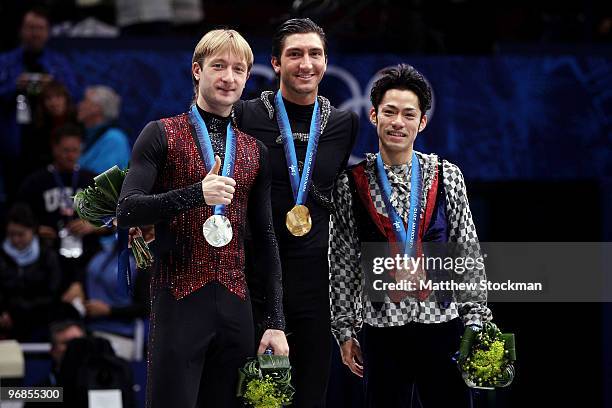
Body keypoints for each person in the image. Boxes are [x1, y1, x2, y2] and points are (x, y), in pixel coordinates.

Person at [116, 29, 288, 407]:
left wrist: (276, 321)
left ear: (247, 77)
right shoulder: (162, 133)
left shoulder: (255, 151)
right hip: (177, 301)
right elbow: (127, 209)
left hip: (236, 308)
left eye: (238, 69)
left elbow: (265, 240)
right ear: (197, 70)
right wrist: (197, 193)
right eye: (218, 66)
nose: (228, 77)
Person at [329, 64, 492, 407]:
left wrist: (476, 320)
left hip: (443, 325)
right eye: (389, 112)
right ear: (373, 115)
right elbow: (341, 262)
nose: (397, 123)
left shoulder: (447, 176)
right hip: (381, 329)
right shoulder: (350, 183)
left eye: (408, 114)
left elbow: (467, 250)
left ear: (422, 122)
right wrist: (345, 330)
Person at [234, 18, 358, 408]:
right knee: (256, 399)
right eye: (295, 54)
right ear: (274, 63)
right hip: (254, 278)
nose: (307, 63)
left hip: (314, 284)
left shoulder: (343, 123)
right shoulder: (246, 115)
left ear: (326, 61)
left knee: (309, 396)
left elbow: (334, 195)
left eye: (315, 54)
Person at [0, 7, 78, 195]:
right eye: (30, 28)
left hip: (49, 143)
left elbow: (74, 94)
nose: (35, 33)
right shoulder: (5, 62)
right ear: (21, 31)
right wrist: (15, 86)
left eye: (40, 28)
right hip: (14, 144)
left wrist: (52, 85)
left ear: (48, 32)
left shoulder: (58, 64)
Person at [16, 124, 99, 299]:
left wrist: (93, 225)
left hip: (87, 258)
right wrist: (34, 231)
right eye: (65, 150)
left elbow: (117, 220)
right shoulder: (35, 182)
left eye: (75, 150)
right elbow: (16, 218)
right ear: (54, 148)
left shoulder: (92, 181)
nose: (71, 156)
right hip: (46, 257)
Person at [0, 203, 62, 341]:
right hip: (6, 323)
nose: (15, 240)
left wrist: (18, 311)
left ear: (33, 230)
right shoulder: (2, 256)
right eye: (11, 234)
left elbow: (52, 293)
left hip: (41, 322)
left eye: (21, 234)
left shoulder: (48, 256)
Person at [77, 85, 131, 174]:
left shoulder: (114, 138)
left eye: (85, 101)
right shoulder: (85, 136)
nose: (80, 105)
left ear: (97, 108)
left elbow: (103, 180)